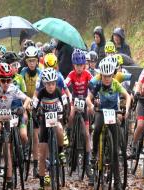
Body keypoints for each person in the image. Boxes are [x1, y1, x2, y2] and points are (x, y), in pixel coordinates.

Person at [87, 56, 131, 189]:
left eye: (109, 76)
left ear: (113, 74)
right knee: (98, 127)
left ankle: (117, 181)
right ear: (101, 75)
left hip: (113, 112)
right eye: (104, 76)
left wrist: (127, 109)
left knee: (115, 153)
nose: (106, 78)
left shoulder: (116, 84)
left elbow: (127, 96)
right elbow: (88, 98)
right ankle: (94, 153)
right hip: (101, 111)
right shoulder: (98, 83)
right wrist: (90, 106)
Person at [32, 68, 65, 190]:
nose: (51, 86)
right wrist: (34, 116)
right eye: (48, 84)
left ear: (55, 83)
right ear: (44, 84)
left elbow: (65, 104)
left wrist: (65, 114)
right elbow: (34, 107)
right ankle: (41, 181)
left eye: (53, 83)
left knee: (60, 129)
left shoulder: (58, 91)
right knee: (42, 155)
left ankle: (60, 151)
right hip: (44, 122)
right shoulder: (41, 93)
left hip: (55, 119)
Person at [65, 49, 93, 184]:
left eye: (81, 65)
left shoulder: (87, 74)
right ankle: (68, 133)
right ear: (73, 65)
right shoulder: (71, 74)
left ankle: (88, 162)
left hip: (85, 102)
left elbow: (94, 85)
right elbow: (65, 83)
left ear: (85, 65)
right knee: (70, 115)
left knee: (87, 135)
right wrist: (64, 92)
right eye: (77, 65)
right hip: (74, 100)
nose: (79, 68)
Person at [20, 46, 42, 177]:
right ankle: (23, 153)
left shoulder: (40, 72)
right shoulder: (23, 72)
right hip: (25, 103)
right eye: (29, 61)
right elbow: (20, 90)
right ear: (26, 62)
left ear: (37, 61)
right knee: (25, 121)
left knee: (35, 135)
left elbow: (42, 91)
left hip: (36, 104)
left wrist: (37, 104)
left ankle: (35, 163)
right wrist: (27, 105)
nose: (32, 63)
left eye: (34, 61)